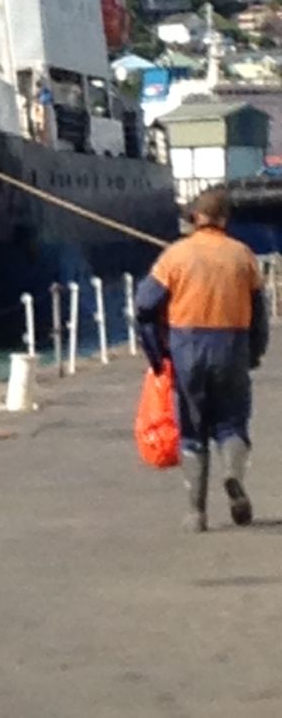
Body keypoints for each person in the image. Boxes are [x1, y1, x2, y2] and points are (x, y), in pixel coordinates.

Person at [135, 186, 269, 532]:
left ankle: (196, 513)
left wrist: (156, 355)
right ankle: (232, 475)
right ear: (226, 219)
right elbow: (259, 316)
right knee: (232, 423)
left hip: (187, 349)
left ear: (195, 217)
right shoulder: (244, 256)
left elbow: (144, 307)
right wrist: (254, 354)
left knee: (192, 432)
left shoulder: (175, 257)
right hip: (232, 347)